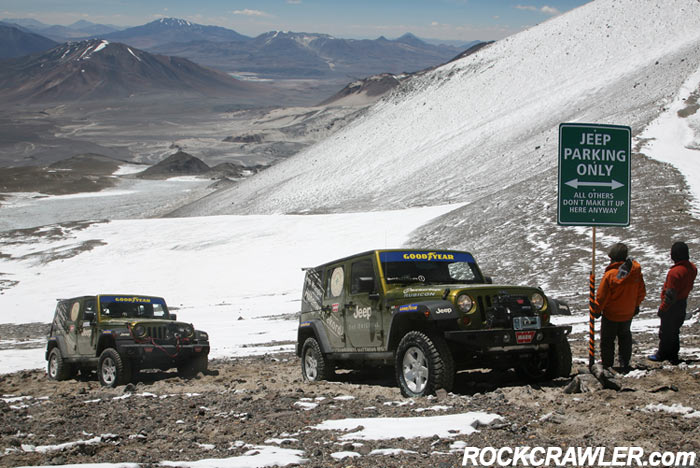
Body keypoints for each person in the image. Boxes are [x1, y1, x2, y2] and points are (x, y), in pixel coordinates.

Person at [595, 243, 646, 372]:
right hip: (628, 313)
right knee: (625, 339)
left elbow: (602, 297)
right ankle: (625, 363)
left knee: (607, 341)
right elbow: (641, 292)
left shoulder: (610, 275)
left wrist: (596, 310)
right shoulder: (634, 273)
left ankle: (607, 365)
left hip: (611, 315)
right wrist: (636, 305)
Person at [649, 241, 697, 364]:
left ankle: (662, 354)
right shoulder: (692, 268)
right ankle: (673, 355)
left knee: (665, 332)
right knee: (674, 331)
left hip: (673, 306)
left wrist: (662, 308)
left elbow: (670, 295)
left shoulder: (675, 273)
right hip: (682, 303)